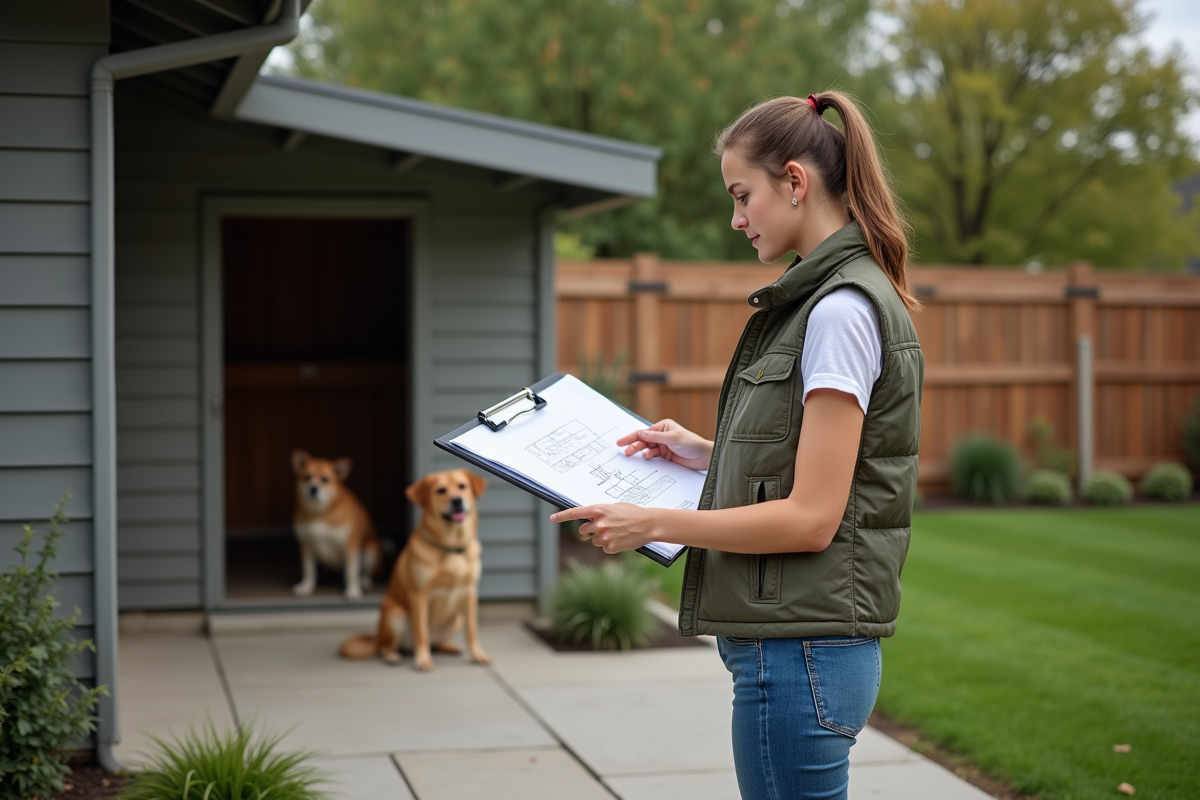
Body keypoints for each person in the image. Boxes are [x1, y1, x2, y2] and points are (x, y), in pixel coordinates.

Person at [549, 91, 924, 800]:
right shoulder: (823, 300)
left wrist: (651, 522)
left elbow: (812, 518)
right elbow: (804, 454)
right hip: (798, 645)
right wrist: (707, 452)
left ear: (794, 180)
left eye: (741, 194)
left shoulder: (840, 311)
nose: (736, 217)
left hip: (802, 651)